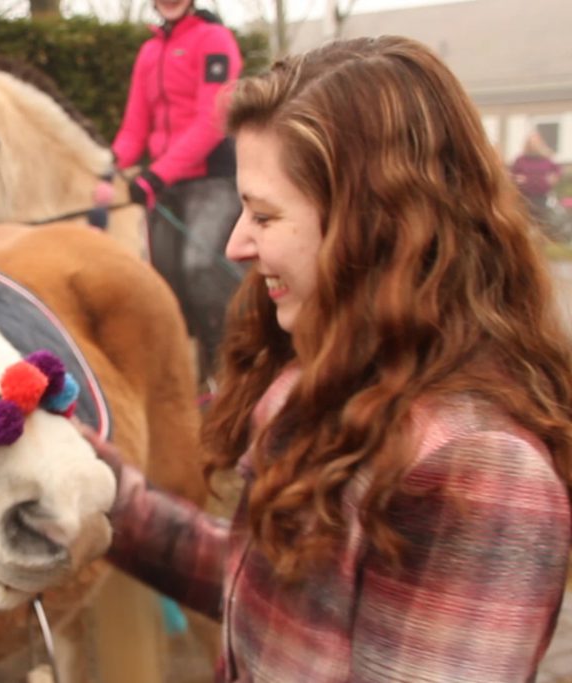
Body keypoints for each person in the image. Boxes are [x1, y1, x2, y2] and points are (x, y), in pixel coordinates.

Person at [87, 35, 572, 681]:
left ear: (371, 224)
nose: (235, 244)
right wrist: (111, 496)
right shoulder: (321, 383)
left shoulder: (478, 469)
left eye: (264, 215)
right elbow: (271, 600)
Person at [106, 0, 246, 380]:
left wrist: (157, 174)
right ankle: (192, 384)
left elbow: (214, 119)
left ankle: (235, 375)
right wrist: (106, 166)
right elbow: (134, 128)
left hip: (212, 179)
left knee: (201, 270)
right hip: (166, 186)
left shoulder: (214, 39)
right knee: (165, 288)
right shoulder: (149, 51)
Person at [511, 129, 563, 231]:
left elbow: (558, 170)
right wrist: (517, 178)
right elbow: (512, 174)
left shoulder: (546, 159)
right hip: (525, 195)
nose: (533, 145)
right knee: (526, 219)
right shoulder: (521, 159)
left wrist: (553, 178)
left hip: (541, 195)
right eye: (530, 143)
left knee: (540, 219)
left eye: (535, 142)